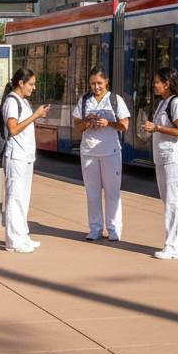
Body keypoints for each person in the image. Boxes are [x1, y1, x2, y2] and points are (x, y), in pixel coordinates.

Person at [71, 65, 131, 242]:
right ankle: (95, 227)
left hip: (110, 152)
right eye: (92, 84)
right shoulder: (84, 100)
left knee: (112, 192)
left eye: (99, 83)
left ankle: (114, 228)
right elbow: (77, 125)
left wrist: (109, 123)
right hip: (89, 151)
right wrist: (88, 123)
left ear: (106, 81)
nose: (96, 87)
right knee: (92, 192)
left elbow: (124, 125)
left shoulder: (115, 100)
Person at [140, 66, 178, 260]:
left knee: (173, 202)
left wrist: (157, 127)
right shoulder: (164, 102)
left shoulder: (176, 103)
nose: (153, 85)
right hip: (164, 158)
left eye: (156, 82)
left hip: (174, 159)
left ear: (167, 84)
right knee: (174, 201)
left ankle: (172, 247)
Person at [1, 67, 50, 253]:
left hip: (26, 156)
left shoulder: (23, 101)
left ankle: (22, 235)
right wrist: (35, 116)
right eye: (31, 84)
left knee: (23, 197)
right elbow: (13, 129)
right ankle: (13, 241)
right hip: (16, 156)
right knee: (15, 197)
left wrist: (36, 115)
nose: (34, 87)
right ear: (21, 83)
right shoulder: (12, 102)